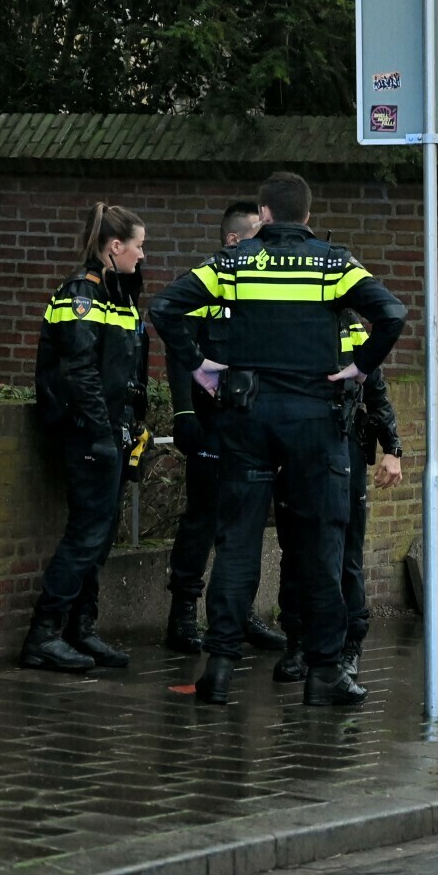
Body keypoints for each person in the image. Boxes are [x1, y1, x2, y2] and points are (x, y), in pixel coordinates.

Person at [152, 172, 406, 706]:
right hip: (316, 423)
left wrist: (199, 366)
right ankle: (324, 672)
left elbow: (165, 308)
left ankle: (219, 668)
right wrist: (359, 368)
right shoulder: (334, 263)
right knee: (321, 545)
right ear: (308, 217)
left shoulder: (234, 261)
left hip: (246, 420)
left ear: (263, 213)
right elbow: (391, 313)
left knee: (238, 541)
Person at [23, 203, 150, 673]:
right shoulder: (81, 293)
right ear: (115, 246)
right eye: (138, 246)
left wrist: (133, 423)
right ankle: (44, 635)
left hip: (111, 433)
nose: (142, 255)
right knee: (85, 535)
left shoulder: (121, 296)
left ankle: (82, 628)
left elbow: (126, 371)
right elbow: (80, 373)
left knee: (99, 538)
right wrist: (100, 433)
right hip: (86, 435)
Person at [164, 202, 288, 656]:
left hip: (251, 425)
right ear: (235, 239)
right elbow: (180, 352)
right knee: (204, 518)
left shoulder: (260, 281)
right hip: (211, 424)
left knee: (247, 521)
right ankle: (182, 614)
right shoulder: (205, 281)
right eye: (258, 233)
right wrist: (184, 415)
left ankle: (241, 612)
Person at [272, 313, 404, 683]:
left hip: (345, 446)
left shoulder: (351, 326)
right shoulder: (289, 321)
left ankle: (349, 647)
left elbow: (374, 386)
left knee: (347, 552)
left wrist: (392, 448)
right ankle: (297, 642)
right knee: (296, 548)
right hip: (297, 448)